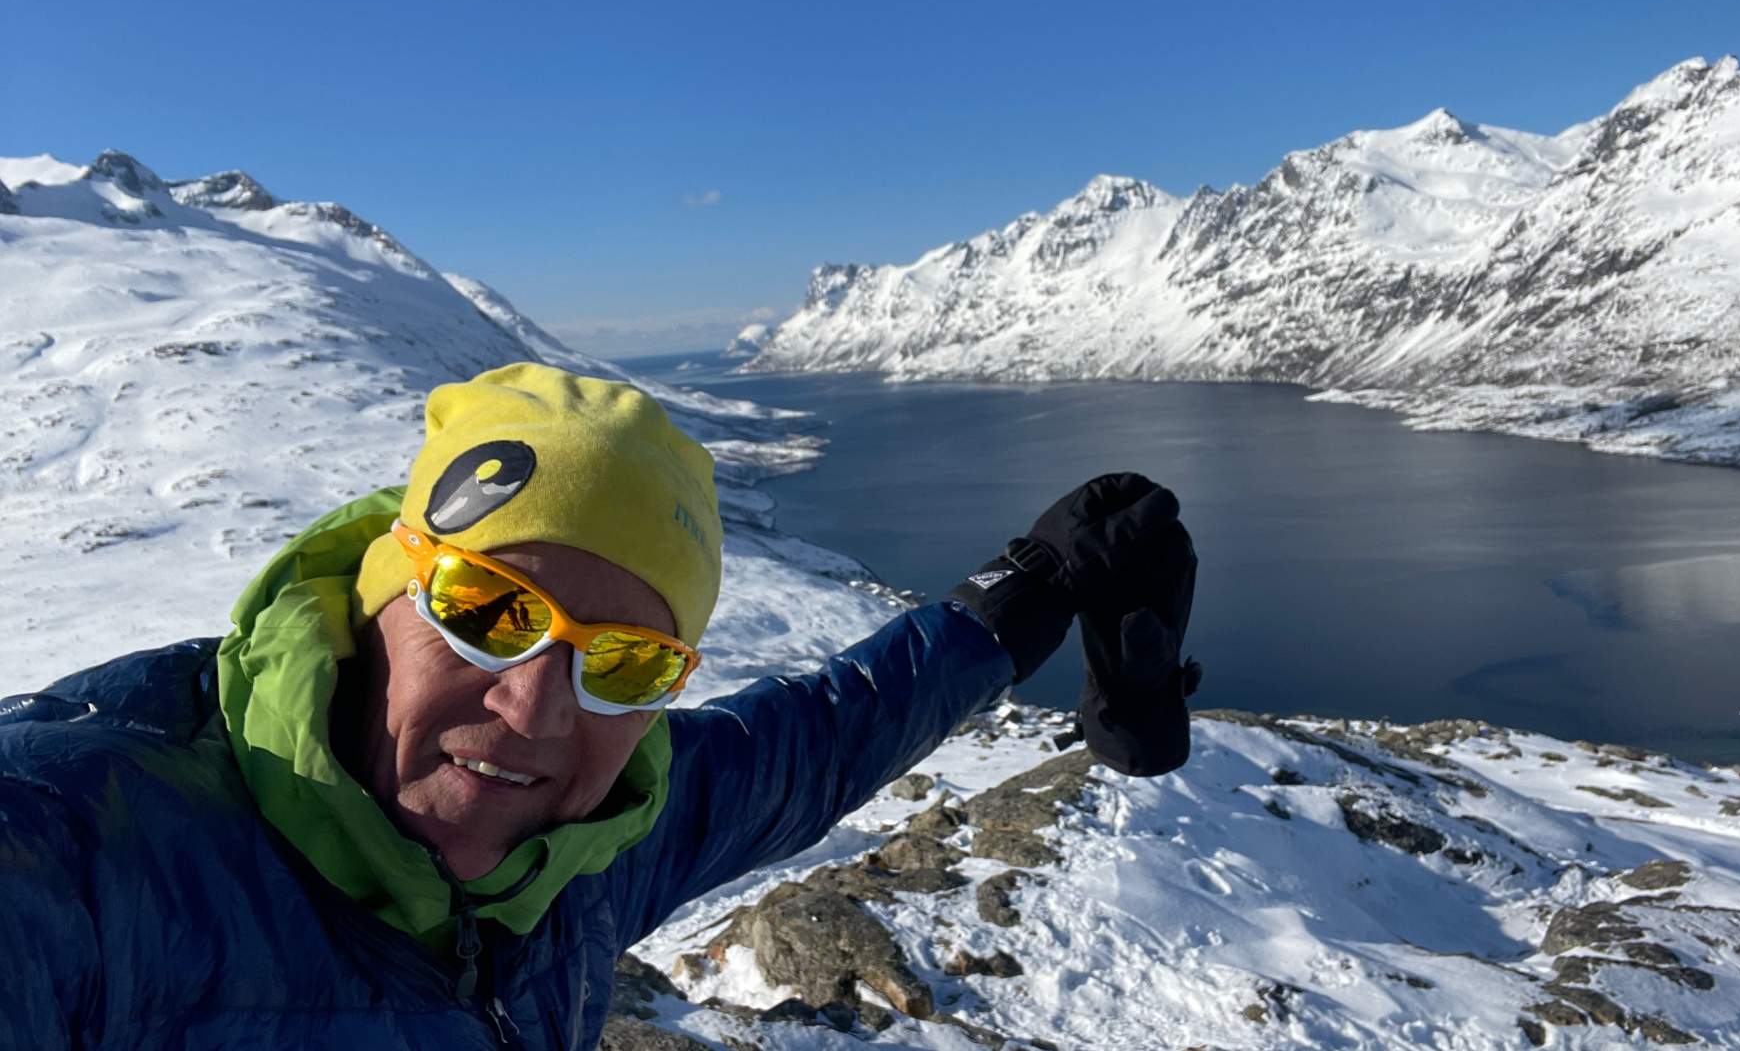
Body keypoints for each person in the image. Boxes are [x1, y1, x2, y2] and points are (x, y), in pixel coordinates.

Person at [0, 363, 1198, 1049]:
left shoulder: (586, 849)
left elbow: (821, 738)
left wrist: (1024, 595)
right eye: (489, 611)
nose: (534, 709)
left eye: (624, 664)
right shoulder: (84, 848)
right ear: (380, 594)